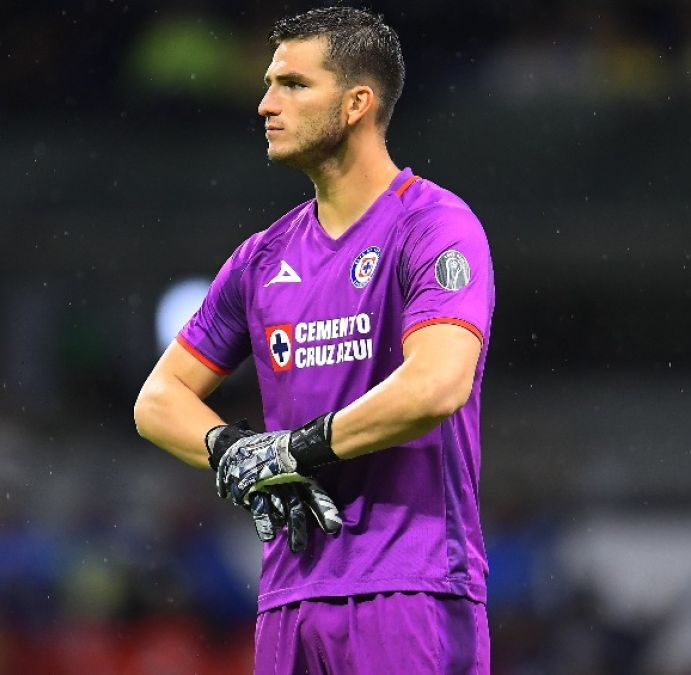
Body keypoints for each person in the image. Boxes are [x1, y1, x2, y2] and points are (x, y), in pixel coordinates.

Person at [134, 7, 495, 674]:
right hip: (289, 600)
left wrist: (291, 450)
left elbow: (438, 384)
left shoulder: (435, 226)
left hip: (409, 586)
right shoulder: (262, 257)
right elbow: (157, 400)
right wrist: (231, 449)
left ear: (358, 103)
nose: (267, 103)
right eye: (270, 83)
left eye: (294, 85)